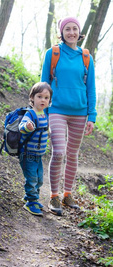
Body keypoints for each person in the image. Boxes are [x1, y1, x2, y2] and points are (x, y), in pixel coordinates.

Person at [41, 16, 97, 216]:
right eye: (67, 29)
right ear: (62, 32)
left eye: (75, 29)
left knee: (72, 155)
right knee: (58, 152)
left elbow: (90, 88)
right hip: (56, 110)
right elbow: (44, 84)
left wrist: (92, 115)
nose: (71, 32)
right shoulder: (53, 53)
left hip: (80, 113)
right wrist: (43, 111)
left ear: (79, 32)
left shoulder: (86, 57)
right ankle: (53, 195)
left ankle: (67, 194)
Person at [19, 82, 53, 216]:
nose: (43, 100)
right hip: (28, 154)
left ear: (49, 100)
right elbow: (21, 127)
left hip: (38, 155)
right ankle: (31, 202)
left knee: (39, 179)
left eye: (46, 97)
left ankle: (31, 197)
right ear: (32, 98)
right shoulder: (30, 114)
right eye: (39, 96)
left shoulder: (44, 115)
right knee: (32, 178)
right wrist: (27, 126)